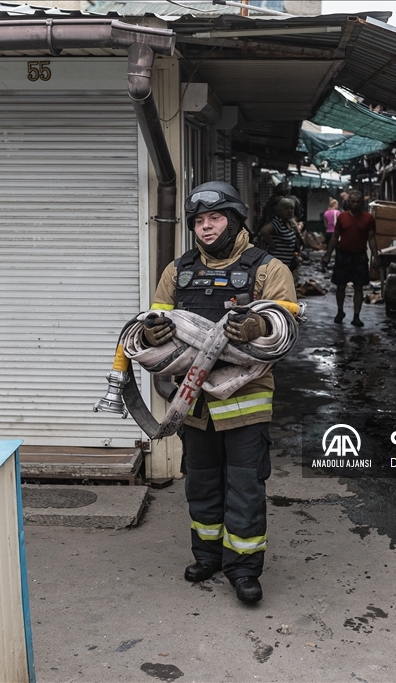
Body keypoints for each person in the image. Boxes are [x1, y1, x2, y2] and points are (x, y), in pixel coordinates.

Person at [142, 181, 298, 604]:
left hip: (246, 403)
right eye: (199, 221)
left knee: (245, 487)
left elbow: (286, 328)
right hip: (195, 402)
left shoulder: (267, 269)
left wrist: (258, 327)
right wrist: (153, 332)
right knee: (202, 483)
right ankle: (207, 555)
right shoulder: (178, 270)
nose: (206, 228)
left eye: (215, 218)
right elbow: (158, 322)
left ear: (234, 219)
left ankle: (244, 569)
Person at [321, 190, 378, 327]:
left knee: (359, 287)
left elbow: (371, 239)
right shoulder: (342, 217)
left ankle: (356, 316)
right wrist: (328, 254)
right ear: (348, 202)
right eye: (352, 201)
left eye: (358, 202)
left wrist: (376, 257)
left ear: (362, 202)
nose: (355, 204)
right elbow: (335, 237)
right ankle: (340, 311)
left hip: (359, 255)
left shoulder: (368, 218)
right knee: (341, 286)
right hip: (343, 254)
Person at [259, 197, 300, 274]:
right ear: (279, 210)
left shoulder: (289, 223)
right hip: (276, 266)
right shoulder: (278, 222)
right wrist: (272, 244)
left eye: (291, 208)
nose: (290, 211)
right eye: (286, 208)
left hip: (284, 265)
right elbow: (264, 231)